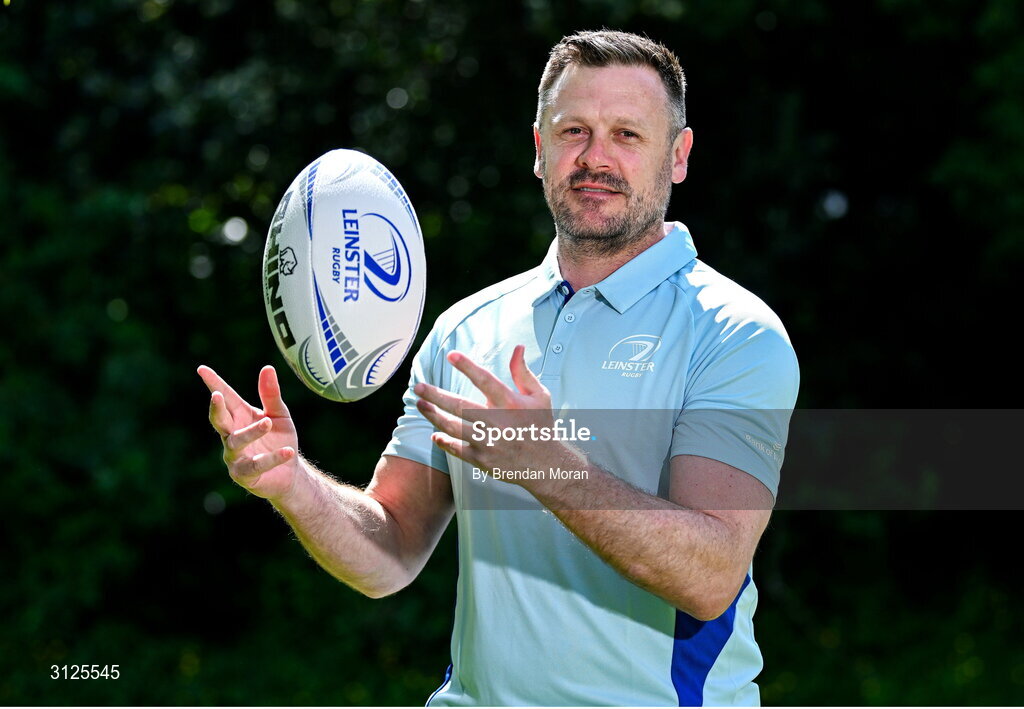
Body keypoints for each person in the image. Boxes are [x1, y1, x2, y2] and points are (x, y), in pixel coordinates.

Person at [199, 30, 799, 706]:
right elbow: (390, 552)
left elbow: (711, 572)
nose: (595, 157)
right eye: (574, 130)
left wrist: (546, 465)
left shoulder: (734, 332)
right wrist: (292, 483)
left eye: (627, 135)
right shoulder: (466, 329)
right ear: (539, 150)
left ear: (678, 156)